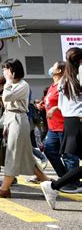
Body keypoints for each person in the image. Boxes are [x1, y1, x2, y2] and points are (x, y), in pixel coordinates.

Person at [0, 59, 50, 198]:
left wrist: (8, 82)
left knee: (13, 154)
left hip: (18, 119)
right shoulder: (13, 85)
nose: (3, 72)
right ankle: (50, 185)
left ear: (13, 70)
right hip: (11, 119)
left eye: (6, 69)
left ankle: (4, 188)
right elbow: (5, 104)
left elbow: (8, 97)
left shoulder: (23, 85)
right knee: (27, 157)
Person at [41, 47, 82, 208]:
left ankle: (54, 186)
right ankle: (53, 186)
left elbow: (63, 106)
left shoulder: (65, 80)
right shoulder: (77, 77)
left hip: (71, 122)